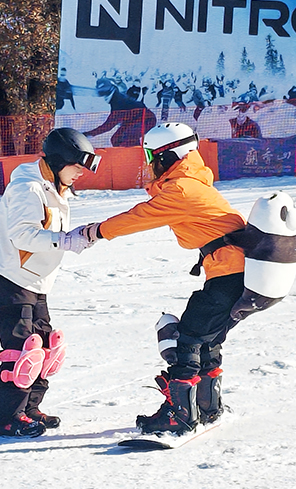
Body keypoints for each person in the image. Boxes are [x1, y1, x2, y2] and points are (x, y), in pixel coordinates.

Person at [77, 122, 247, 436]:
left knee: (186, 339)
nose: (149, 163)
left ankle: (179, 417)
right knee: (206, 338)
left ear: (169, 156)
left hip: (230, 274)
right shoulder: (192, 183)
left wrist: (95, 231)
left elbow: (138, 217)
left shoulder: (181, 189)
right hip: (234, 273)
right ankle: (208, 407)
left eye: (151, 156)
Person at [0, 128, 100, 438]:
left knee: (45, 349)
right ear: (60, 161)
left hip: (35, 282)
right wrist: (66, 240)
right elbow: (22, 235)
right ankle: (9, 420)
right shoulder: (28, 188)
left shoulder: (53, 187)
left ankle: (29, 409)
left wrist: (73, 238)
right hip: (10, 279)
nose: (81, 173)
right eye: (77, 166)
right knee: (21, 352)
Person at [84, 78, 157, 147]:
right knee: (116, 139)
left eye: (103, 93)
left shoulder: (118, 102)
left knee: (129, 136)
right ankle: (122, 153)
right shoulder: (116, 99)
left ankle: (136, 154)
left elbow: (108, 126)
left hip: (146, 119)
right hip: (132, 120)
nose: (104, 97)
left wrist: (88, 134)